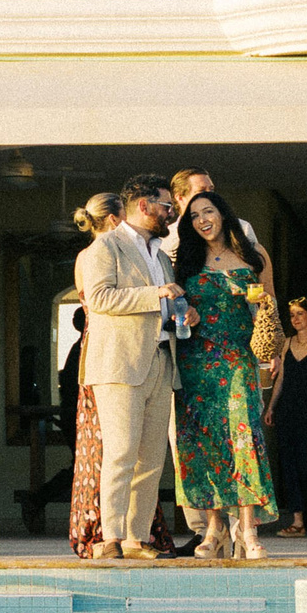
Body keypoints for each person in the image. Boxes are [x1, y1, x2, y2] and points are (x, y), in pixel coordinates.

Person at [76, 176, 182, 560]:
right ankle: (111, 538)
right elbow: (100, 298)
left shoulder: (162, 256)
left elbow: (164, 306)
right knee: (121, 453)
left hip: (161, 360)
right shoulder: (105, 246)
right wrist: (156, 293)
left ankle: (137, 539)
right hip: (119, 364)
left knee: (152, 459)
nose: (171, 213)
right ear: (143, 205)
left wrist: (183, 313)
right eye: (166, 206)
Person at [171, 187, 279, 559]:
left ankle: (247, 531)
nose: (202, 220)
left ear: (223, 214)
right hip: (197, 361)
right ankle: (214, 529)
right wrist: (186, 312)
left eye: (208, 212)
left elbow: (270, 307)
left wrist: (271, 352)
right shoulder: (185, 261)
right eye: (194, 216)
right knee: (205, 441)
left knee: (244, 436)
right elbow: (176, 307)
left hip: (240, 357)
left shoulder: (254, 254)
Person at [264, 295, 307, 538]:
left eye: (300, 314)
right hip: (289, 410)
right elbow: (281, 378)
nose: (295, 319)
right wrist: (271, 407)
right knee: (290, 464)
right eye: (292, 315)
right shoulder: (287, 343)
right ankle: (297, 520)